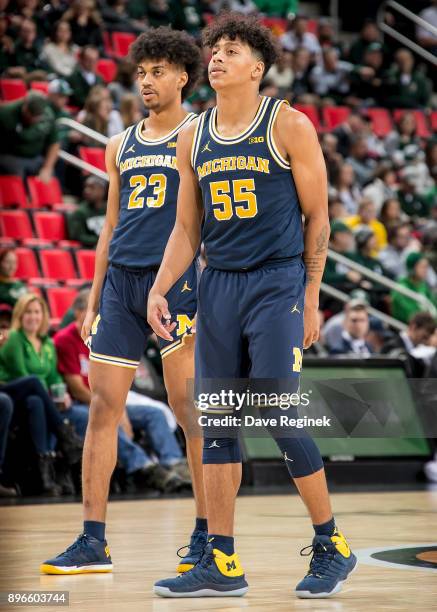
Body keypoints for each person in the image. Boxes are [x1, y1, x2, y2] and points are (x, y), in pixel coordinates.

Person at [148, 13, 356, 599]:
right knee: (216, 422)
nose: (215, 57)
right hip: (219, 285)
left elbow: (320, 218)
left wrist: (312, 296)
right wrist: (161, 287)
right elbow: (187, 228)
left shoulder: (289, 125)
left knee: (278, 409)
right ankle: (223, 561)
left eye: (231, 50)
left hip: (277, 281)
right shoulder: (193, 135)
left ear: (257, 68)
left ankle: (331, 543)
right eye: (213, 49)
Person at [40, 27, 206, 577]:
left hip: (176, 286)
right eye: (141, 73)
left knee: (188, 414)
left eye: (158, 72)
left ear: (183, 76)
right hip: (120, 287)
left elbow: (203, 223)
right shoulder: (120, 144)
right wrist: (91, 303)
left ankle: (208, 533)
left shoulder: (198, 135)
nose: (147, 82)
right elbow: (108, 229)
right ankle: (92, 540)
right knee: (102, 411)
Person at [54, 290, 189, 492]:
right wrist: (116, 409)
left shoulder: (103, 334)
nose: (96, 316)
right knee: (108, 421)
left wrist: (119, 407)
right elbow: (76, 388)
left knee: (155, 414)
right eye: (91, 311)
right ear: (78, 312)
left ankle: (175, 464)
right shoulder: (65, 340)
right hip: (80, 404)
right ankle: (145, 468)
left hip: (110, 398)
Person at [0, 294, 83, 494]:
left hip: (35, 398)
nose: (33, 316)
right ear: (20, 315)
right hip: (10, 392)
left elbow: (54, 377)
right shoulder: (14, 339)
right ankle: (65, 434)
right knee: (34, 383)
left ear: (43, 315)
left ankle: (45, 474)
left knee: (37, 401)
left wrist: (62, 395)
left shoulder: (47, 343)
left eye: (37, 312)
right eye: (28, 312)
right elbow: (22, 375)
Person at [0, 93, 60, 182]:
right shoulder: (7, 113)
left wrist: (47, 168)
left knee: (50, 176)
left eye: (37, 116)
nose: (34, 119)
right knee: (16, 173)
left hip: (35, 157)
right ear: (25, 106)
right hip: (11, 155)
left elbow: (54, 143)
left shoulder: (48, 115)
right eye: (31, 114)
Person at [391, 252, 437, 324]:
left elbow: (434, 304)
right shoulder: (401, 288)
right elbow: (410, 315)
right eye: (422, 267)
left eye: (426, 267)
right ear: (412, 268)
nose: (425, 270)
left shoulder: (423, 285)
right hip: (409, 328)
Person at [67, 176, 107, 247]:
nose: (86, 191)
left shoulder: (110, 209)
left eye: (92, 187)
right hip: (91, 249)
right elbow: (78, 237)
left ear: (102, 190)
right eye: (86, 187)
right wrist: (102, 240)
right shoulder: (80, 212)